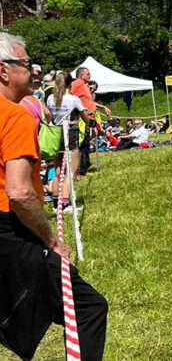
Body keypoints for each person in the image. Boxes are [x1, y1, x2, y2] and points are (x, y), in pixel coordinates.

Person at [0, 33, 107, 361]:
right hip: (10, 233)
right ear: (4, 71)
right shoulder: (15, 116)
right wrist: (51, 240)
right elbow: (18, 192)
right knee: (89, 308)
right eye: (26, 64)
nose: (34, 71)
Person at [47, 73, 91, 212]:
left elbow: (49, 116)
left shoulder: (50, 98)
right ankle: (66, 204)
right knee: (71, 171)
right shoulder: (73, 99)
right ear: (70, 83)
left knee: (58, 171)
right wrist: (89, 118)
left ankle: (56, 204)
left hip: (55, 134)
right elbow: (85, 119)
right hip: (70, 134)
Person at [71, 69, 109, 177]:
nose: (90, 75)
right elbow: (69, 97)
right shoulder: (77, 84)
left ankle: (83, 169)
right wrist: (79, 110)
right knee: (82, 145)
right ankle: (80, 171)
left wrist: (102, 107)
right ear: (81, 75)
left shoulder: (84, 86)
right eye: (88, 74)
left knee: (86, 144)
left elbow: (89, 102)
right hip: (82, 119)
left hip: (89, 118)